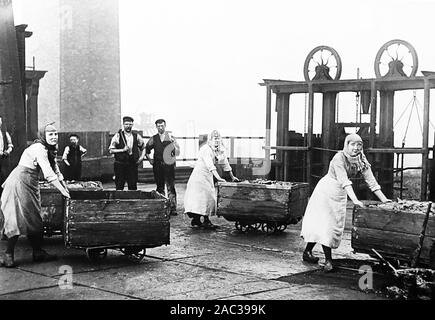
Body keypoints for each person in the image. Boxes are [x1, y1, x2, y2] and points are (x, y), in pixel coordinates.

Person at [300, 133, 390, 272]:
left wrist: (384, 200)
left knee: (331, 224)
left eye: (359, 145)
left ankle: (307, 252)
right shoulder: (339, 158)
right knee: (326, 225)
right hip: (326, 191)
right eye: (352, 144)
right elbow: (344, 180)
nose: (356, 148)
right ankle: (328, 260)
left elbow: (371, 181)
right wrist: (354, 200)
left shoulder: (361, 158)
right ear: (346, 145)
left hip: (340, 193)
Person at [0, 123, 70, 268]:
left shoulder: (49, 149)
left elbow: (55, 169)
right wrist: (62, 190)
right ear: (43, 135)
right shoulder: (38, 148)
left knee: (35, 218)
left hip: (30, 182)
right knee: (16, 217)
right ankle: (8, 254)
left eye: (55, 134)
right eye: (50, 134)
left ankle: (37, 252)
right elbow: (48, 173)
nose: (54, 137)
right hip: (18, 181)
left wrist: (64, 184)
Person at [184, 130, 239, 229]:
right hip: (199, 176)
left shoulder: (220, 150)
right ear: (210, 140)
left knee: (209, 197)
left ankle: (203, 220)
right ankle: (199, 220)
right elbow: (210, 165)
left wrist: (232, 176)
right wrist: (218, 178)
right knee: (199, 198)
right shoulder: (205, 149)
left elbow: (225, 163)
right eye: (215, 138)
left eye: (218, 138)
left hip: (208, 176)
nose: (217, 141)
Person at [145, 119, 180, 216]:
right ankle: (162, 207)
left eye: (162, 126)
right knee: (160, 187)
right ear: (156, 127)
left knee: (171, 187)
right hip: (158, 165)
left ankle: (172, 208)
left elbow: (177, 152)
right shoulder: (153, 138)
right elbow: (147, 149)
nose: (161, 128)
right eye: (158, 126)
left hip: (169, 165)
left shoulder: (171, 137)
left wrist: (174, 143)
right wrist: (150, 160)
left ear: (165, 126)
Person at [109, 116, 146, 190]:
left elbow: (144, 147)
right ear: (123, 125)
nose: (128, 126)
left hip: (132, 164)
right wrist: (122, 150)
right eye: (126, 124)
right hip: (120, 164)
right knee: (119, 186)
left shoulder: (136, 136)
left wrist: (141, 158)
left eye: (130, 124)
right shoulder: (118, 135)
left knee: (133, 186)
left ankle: (132, 201)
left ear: (132, 125)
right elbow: (111, 150)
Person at [0, 116, 14, 196]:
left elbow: (11, 145)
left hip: (2, 159)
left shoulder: (4, 133)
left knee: (3, 178)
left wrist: (7, 152)